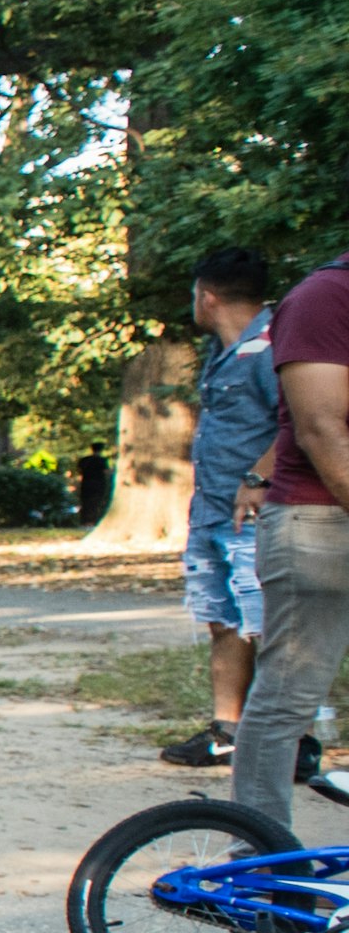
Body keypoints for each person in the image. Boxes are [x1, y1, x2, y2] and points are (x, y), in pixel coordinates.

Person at [239, 240, 349, 830]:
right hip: (321, 527)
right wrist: (257, 475)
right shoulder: (325, 298)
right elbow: (321, 427)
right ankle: (257, 857)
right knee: (286, 700)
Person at [169, 250, 278, 769]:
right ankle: (227, 730)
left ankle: (288, 741)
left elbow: (303, 420)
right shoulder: (222, 352)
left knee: (269, 624)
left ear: (206, 296)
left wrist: (259, 477)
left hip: (256, 515)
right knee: (223, 619)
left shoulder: (270, 348)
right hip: (212, 511)